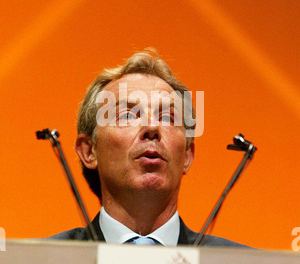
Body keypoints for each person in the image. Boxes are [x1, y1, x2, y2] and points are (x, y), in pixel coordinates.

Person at [50, 48, 246, 247]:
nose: (152, 127)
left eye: (168, 118)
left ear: (187, 155)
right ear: (89, 151)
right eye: (127, 115)